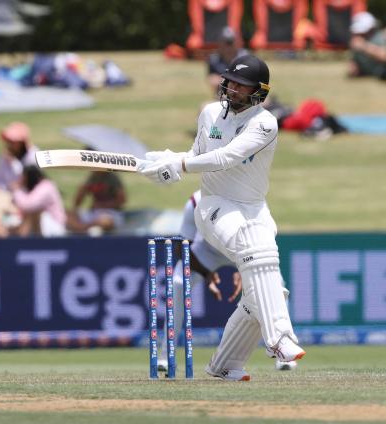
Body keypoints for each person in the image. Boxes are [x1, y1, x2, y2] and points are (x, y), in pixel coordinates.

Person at [137, 54, 305, 381]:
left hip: (255, 207)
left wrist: (179, 165)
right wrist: (167, 162)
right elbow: (197, 157)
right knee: (254, 254)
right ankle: (280, 338)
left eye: (241, 85)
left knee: (269, 290)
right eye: (230, 81)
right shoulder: (210, 113)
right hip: (214, 204)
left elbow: (227, 157)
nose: (230, 87)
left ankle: (225, 364)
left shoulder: (265, 123)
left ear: (258, 92)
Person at [157, 190, 297, 372]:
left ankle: (283, 352)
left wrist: (245, 266)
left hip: (244, 250)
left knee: (276, 284)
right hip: (207, 252)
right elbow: (181, 248)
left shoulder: (249, 195)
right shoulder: (195, 202)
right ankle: (165, 354)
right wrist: (206, 274)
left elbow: (265, 237)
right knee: (178, 281)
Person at [9, 165, 66, 237]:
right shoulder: (34, 188)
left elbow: (28, 205)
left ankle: (20, 242)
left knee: (33, 214)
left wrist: (16, 190)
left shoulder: (46, 186)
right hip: (43, 227)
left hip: (53, 227)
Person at [66, 170, 126, 235]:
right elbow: (78, 201)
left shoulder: (112, 178)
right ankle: (85, 229)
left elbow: (122, 200)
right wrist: (82, 189)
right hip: (93, 213)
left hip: (110, 213)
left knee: (105, 221)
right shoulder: (93, 177)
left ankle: (82, 229)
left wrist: (103, 205)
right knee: (67, 215)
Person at [0, 122, 38, 191]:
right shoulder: (5, 157)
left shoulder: (33, 156)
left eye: (12, 142)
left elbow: (26, 179)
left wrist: (13, 162)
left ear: (21, 142)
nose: (9, 144)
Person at [206, 27, 248, 97]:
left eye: (230, 42)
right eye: (225, 42)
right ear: (219, 42)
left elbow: (249, 80)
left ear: (237, 42)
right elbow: (213, 81)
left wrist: (224, 81)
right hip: (222, 96)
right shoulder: (214, 59)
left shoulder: (245, 57)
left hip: (243, 96)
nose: (228, 46)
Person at [348, 12, 386, 80]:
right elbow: (354, 65)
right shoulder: (357, 42)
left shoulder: (380, 38)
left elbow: (384, 56)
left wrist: (363, 46)